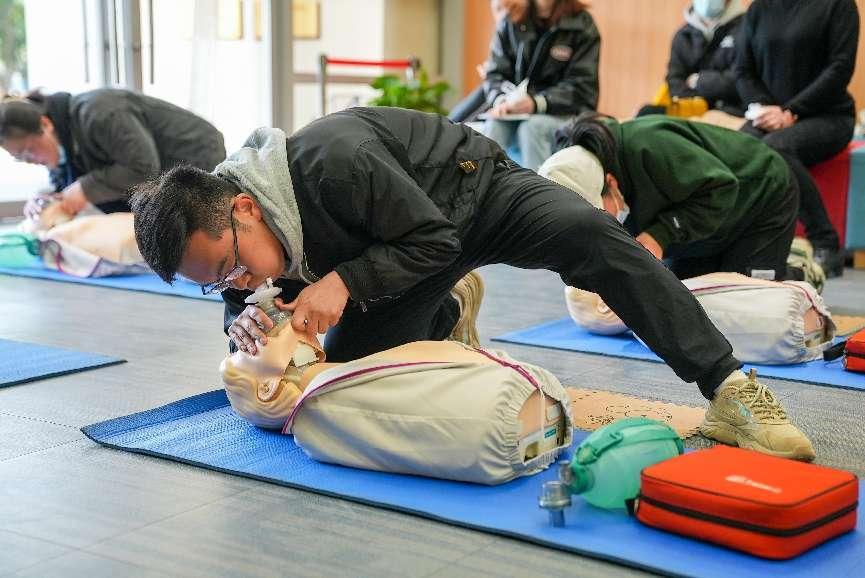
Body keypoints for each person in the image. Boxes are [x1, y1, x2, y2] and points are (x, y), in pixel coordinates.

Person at [130, 105, 815, 460]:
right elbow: (243, 293)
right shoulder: (229, 233)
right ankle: (445, 308)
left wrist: (342, 282)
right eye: (215, 282)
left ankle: (730, 390)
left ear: (245, 207)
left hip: (480, 196)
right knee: (349, 377)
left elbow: (437, 239)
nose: (237, 280)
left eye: (231, 266)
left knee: (594, 239)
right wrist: (242, 322)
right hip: (405, 255)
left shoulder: (337, 160)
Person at [220, 317, 573, 485]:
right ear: (267, 390)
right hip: (509, 422)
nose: (251, 335)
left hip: (527, 401)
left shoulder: (344, 375)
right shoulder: (323, 412)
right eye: (241, 352)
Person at [541, 113, 800, 283]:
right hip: (701, 219)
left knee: (746, 300)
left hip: (761, 193)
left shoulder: (650, 147)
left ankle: (797, 271)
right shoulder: (582, 172)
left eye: (599, 214)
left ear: (611, 183)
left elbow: (720, 188)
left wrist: (659, 235)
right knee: (686, 301)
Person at [735, 0, 860, 277]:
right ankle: (746, 244)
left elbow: (839, 68)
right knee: (737, 149)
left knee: (775, 148)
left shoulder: (838, 5)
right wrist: (766, 108)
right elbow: (743, 70)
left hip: (827, 115)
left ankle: (825, 242)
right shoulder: (759, 8)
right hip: (770, 115)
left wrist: (791, 111)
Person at [0, 88, 225, 218]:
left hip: (195, 156)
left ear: (45, 124)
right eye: (20, 158)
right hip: (161, 178)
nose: (30, 161)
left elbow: (142, 168)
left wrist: (85, 188)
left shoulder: (100, 113)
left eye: (29, 151)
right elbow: (65, 186)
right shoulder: (65, 142)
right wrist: (45, 200)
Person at [482, 0, 599, 170]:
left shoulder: (582, 24)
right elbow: (495, 74)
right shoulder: (511, 17)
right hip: (516, 111)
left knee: (532, 128)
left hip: (564, 115)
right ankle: (481, 186)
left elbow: (583, 88)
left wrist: (537, 103)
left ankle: (538, 187)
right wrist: (501, 101)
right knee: (494, 124)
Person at [639, 0, 746, 117]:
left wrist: (698, 81)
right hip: (692, 112)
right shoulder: (683, 35)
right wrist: (699, 103)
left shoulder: (747, 29)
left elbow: (741, 80)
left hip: (734, 114)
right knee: (646, 113)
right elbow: (675, 82)